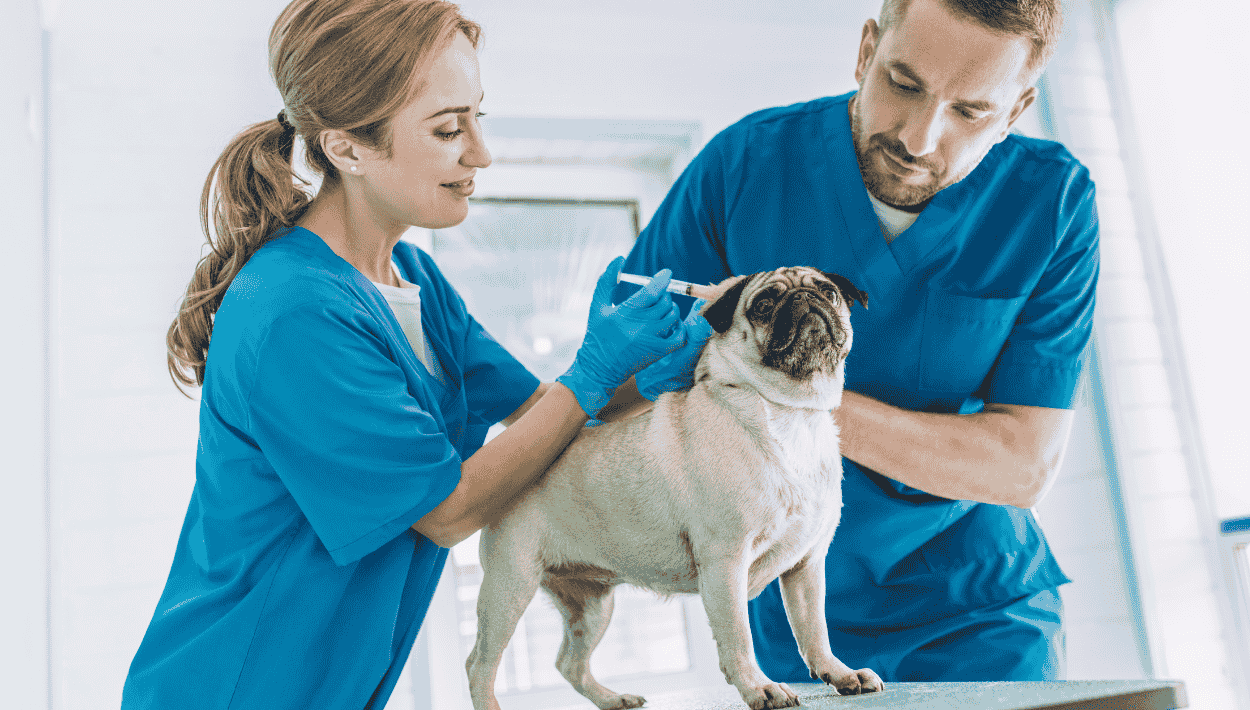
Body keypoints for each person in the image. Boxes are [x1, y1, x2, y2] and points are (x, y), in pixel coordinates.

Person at [120, 1, 688, 708]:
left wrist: (673, 364)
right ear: (346, 148)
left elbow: (549, 416)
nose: (480, 153)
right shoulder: (293, 311)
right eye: (448, 128)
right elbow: (447, 509)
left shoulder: (414, 278)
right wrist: (597, 370)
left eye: (478, 117)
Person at [620, 0, 1097, 682]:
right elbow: (626, 379)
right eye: (904, 84)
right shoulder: (744, 166)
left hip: (978, 613)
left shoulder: (1051, 202)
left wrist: (775, 390)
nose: (920, 137)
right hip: (793, 615)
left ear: (1017, 109)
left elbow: (1020, 465)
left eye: (970, 112)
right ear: (866, 50)